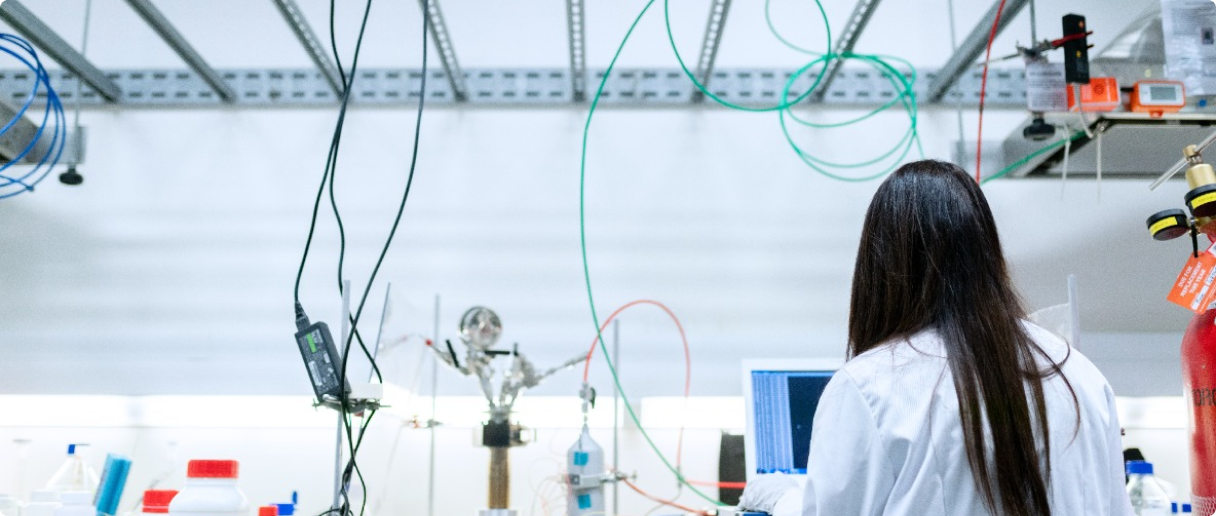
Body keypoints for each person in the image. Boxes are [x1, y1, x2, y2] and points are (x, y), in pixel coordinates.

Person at [740, 160, 1133, 515]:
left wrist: (779, 497)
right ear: (987, 251)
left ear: (880, 268)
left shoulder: (870, 385)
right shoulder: (1078, 373)